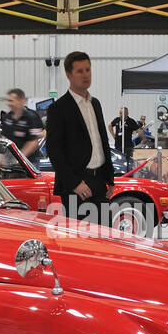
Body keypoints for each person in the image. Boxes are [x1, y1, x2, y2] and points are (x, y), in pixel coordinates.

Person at [46, 51, 113, 224]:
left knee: (104, 236)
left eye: (88, 70)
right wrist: (75, 183)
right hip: (77, 184)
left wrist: (109, 178)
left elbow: (102, 142)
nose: (85, 75)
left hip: (99, 181)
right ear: (69, 75)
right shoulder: (59, 108)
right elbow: (54, 151)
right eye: (80, 71)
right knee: (83, 241)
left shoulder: (95, 103)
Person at [2, 88, 44, 160]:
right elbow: (4, 138)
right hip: (11, 160)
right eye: (8, 101)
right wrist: (2, 157)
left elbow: (33, 142)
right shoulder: (7, 117)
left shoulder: (31, 117)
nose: (9, 103)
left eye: (11, 101)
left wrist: (19, 158)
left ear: (21, 100)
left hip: (29, 161)